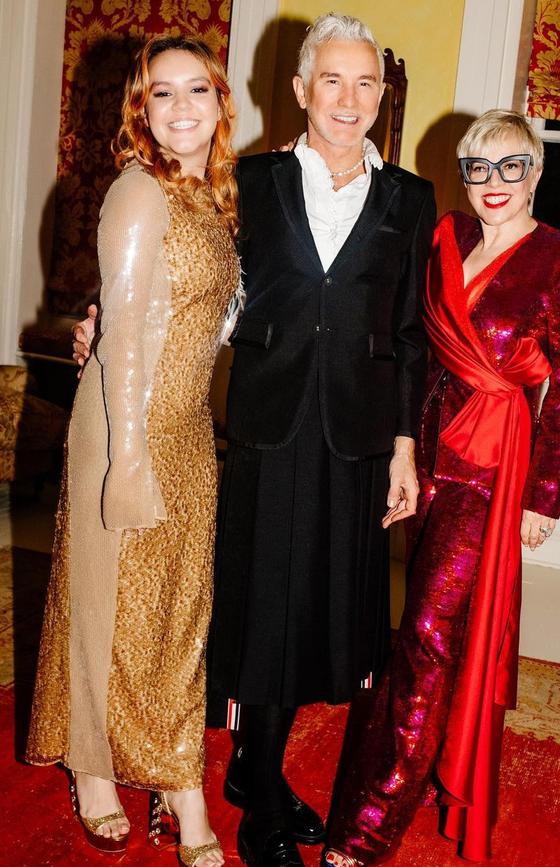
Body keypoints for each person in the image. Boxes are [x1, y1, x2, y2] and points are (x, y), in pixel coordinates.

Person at [73, 15, 435, 867]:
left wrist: (405, 446)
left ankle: (252, 775)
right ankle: (260, 783)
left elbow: (412, 334)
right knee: (262, 608)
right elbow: (174, 265)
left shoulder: (409, 198)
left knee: (325, 615)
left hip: (354, 433)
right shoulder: (249, 179)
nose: (348, 101)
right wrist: (98, 315)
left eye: (366, 84)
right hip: (264, 427)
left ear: (382, 96)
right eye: (331, 82)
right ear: (301, 91)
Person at [323, 110, 560, 865]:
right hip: (432, 460)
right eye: (478, 167)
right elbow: (419, 353)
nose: (493, 184)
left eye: (512, 166)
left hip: (494, 469)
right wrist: (403, 458)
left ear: (538, 171)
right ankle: (405, 773)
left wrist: (545, 495)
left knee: (427, 635)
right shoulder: (447, 237)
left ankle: (370, 823)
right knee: (424, 626)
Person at [26, 35, 241, 867]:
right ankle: (98, 770)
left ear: (222, 102)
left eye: (198, 90)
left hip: (187, 430)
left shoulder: (208, 198)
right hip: (125, 427)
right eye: (162, 94)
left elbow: (199, 319)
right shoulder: (138, 192)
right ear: (139, 111)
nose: (182, 107)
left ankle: (173, 767)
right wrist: (126, 459)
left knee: (176, 614)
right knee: (105, 603)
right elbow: (117, 335)